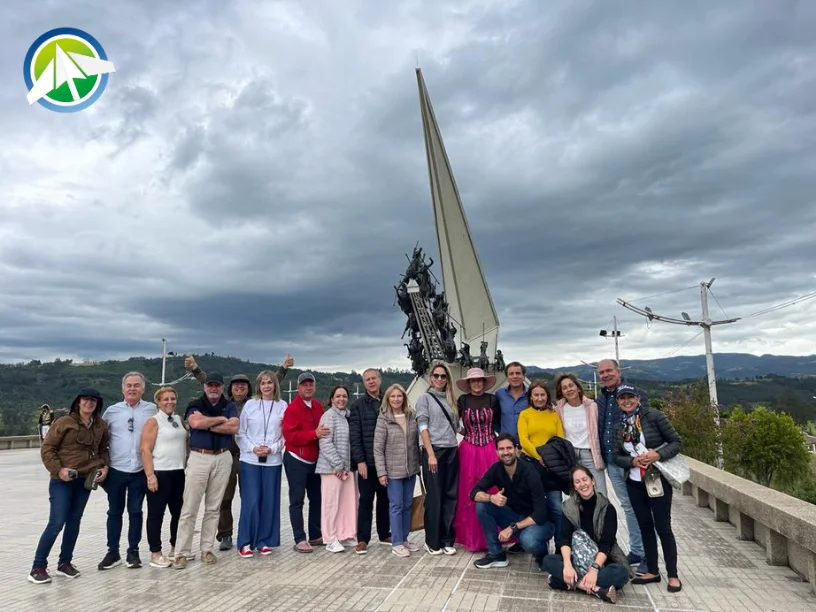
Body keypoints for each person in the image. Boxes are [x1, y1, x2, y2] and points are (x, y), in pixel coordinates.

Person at [185, 353, 293, 551]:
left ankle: (259, 537)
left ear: (249, 388)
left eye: (243, 385)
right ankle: (225, 534)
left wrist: (284, 368)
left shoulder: (264, 403)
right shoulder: (227, 403)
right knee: (224, 497)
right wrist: (195, 369)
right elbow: (208, 383)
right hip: (230, 454)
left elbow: (272, 381)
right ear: (230, 388)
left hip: (251, 456)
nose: (240, 388)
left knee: (251, 497)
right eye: (236, 385)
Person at [29, 388, 109, 584]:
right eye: (85, 399)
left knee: (74, 521)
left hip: (85, 480)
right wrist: (59, 470)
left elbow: (103, 449)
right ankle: (38, 567)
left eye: (93, 400)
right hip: (62, 480)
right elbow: (48, 448)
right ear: (78, 402)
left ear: (98, 404)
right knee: (57, 522)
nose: (89, 403)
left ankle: (65, 563)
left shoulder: (100, 425)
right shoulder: (64, 422)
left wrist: (104, 467)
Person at [614, 384, 683, 592]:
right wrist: (632, 462)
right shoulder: (619, 425)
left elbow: (676, 442)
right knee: (645, 526)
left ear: (637, 398)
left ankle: (673, 575)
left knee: (663, 527)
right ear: (618, 402)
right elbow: (616, 456)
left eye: (630, 397)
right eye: (622, 398)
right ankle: (652, 570)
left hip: (656, 479)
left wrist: (657, 455)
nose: (626, 401)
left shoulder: (654, 417)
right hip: (634, 481)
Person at [174, 372, 239, 568]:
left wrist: (207, 424)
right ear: (204, 387)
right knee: (190, 507)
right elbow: (195, 423)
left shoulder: (229, 405)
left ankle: (207, 549)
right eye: (210, 385)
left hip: (223, 457)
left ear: (222, 387)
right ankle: (181, 552)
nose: (213, 388)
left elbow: (233, 427)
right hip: (199, 456)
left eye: (217, 385)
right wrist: (221, 420)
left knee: (214, 507)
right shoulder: (195, 404)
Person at [542, 466, 633, 604]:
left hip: (601, 562)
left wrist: (594, 570)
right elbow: (564, 539)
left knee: (621, 573)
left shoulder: (607, 508)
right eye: (577, 482)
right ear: (574, 486)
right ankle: (597, 589)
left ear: (593, 480)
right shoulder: (569, 507)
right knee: (548, 561)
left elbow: (607, 544)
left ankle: (565, 582)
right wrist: (567, 565)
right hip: (575, 560)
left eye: (585, 479)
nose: (582, 484)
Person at [98, 372, 157, 570]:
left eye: (136, 385)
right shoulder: (112, 411)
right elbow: (101, 438)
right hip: (117, 469)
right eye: (129, 385)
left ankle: (133, 551)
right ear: (122, 389)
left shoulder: (151, 409)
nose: (132, 389)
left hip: (139, 469)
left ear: (143, 389)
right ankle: (112, 552)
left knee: (136, 511)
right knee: (114, 511)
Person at [469, 433, 554, 569]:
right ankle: (496, 554)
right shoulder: (496, 469)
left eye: (509, 448)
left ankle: (543, 554)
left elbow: (541, 514)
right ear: (497, 452)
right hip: (514, 516)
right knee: (482, 505)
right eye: (501, 449)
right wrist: (491, 498)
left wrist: (512, 528)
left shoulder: (530, 472)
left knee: (529, 541)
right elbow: (474, 493)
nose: (506, 452)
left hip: (538, 522)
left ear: (516, 450)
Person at [596, 359, 646, 569]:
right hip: (611, 461)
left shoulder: (632, 394)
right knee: (628, 505)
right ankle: (638, 550)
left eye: (609, 370)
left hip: (631, 462)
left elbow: (645, 424)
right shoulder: (601, 399)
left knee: (637, 506)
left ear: (618, 371)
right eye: (601, 372)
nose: (605, 375)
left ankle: (642, 552)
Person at [235, 371, 287, 557]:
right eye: (263, 383)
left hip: (273, 461)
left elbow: (285, 435)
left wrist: (272, 448)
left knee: (269, 502)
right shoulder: (250, 405)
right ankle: (245, 542)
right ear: (258, 386)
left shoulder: (282, 405)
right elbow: (240, 433)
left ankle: (264, 541)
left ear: (275, 385)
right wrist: (253, 448)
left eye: (269, 382)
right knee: (251, 501)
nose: (266, 386)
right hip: (250, 460)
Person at [452, 367, 500, 551]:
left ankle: (494, 537)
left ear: (484, 382)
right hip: (469, 449)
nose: (477, 383)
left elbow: (498, 422)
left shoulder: (492, 399)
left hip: (490, 448)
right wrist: (464, 433)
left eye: (480, 380)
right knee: (469, 490)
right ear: (469, 383)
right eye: (473, 380)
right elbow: (455, 422)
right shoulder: (462, 400)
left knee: (493, 487)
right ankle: (472, 537)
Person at [416, 361, 460, 555]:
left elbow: (457, 426)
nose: (440, 379)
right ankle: (432, 541)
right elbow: (422, 426)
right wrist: (431, 454)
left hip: (452, 450)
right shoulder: (424, 398)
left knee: (450, 496)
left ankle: (447, 539)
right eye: (436, 376)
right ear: (430, 378)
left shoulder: (451, 399)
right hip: (434, 451)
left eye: (443, 376)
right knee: (435, 497)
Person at [140, 386, 187, 568]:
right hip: (160, 472)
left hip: (178, 472)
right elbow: (145, 449)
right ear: (158, 402)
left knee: (178, 512)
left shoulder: (178, 419)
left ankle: (176, 547)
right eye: (165, 399)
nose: (169, 402)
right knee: (156, 514)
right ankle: (155, 552)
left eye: (172, 398)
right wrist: (150, 475)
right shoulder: (153, 421)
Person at [373, 384, 422, 557]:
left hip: (410, 470)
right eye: (392, 396)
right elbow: (378, 448)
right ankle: (396, 542)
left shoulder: (411, 416)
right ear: (388, 399)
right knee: (396, 506)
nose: (396, 399)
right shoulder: (383, 419)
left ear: (404, 397)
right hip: (393, 472)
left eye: (399, 396)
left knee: (408, 505)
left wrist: (419, 465)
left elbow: (416, 443)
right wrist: (381, 472)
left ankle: (404, 538)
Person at [282, 371, 326, 553]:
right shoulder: (292, 409)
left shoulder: (318, 406)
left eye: (311, 384)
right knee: (297, 500)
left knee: (316, 498)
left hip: (314, 460)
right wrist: (313, 434)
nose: (308, 387)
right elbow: (290, 436)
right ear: (298, 387)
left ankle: (315, 535)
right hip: (296, 459)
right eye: (304, 385)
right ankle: (299, 538)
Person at [349, 368, 391, 554]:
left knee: (385, 500)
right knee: (365, 501)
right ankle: (363, 539)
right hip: (367, 462)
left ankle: (384, 534)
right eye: (367, 379)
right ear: (364, 383)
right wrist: (359, 460)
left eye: (374, 378)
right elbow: (355, 436)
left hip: (386, 462)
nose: (371, 382)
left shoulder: (389, 400)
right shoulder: (358, 405)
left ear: (380, 380)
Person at [517, 380, 566, 533]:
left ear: (547, 396)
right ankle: (537, 542)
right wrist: (539, 457)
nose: (539, 398)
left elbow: (560, 439)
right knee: (533, 507)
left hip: (551, 467)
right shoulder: (525, 415)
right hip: (530, 464)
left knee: (557, 507)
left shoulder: (554, 415)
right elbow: (524, 440)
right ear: (531, 397)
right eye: (536, 395)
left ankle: (560, 543)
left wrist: (549, 458)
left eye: (542, 395)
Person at [316, 386, 358, 552]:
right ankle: (330, 538)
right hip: (331, 469)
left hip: (347, 469)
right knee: (331, 504)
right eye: (338, 396)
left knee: (347, 504)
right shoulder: (328, 416)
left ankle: (344, 535)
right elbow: (325, 443)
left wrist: (345, 466)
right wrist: (337, 465)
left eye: (344, 396)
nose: (341, 399)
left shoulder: (348, 416)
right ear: (332, 399)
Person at [554, 373, 607, 497]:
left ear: (578, 387)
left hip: (590, 454)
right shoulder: (558, 410)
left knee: (601, 493)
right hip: (571, 455)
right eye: (564, 388)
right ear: (562, 392)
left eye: (571, 385)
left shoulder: (592, 406)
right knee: (577, 495)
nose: (569, 389)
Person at [495, 361, 528, 440]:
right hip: (506, 443)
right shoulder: (499, 394)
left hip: (527, 443)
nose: (515, 376)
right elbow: (495, 419)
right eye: (511, 374)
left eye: (518, 373)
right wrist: (502, 433)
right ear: (507, 378)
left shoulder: (531, 394)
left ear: (524, 377)